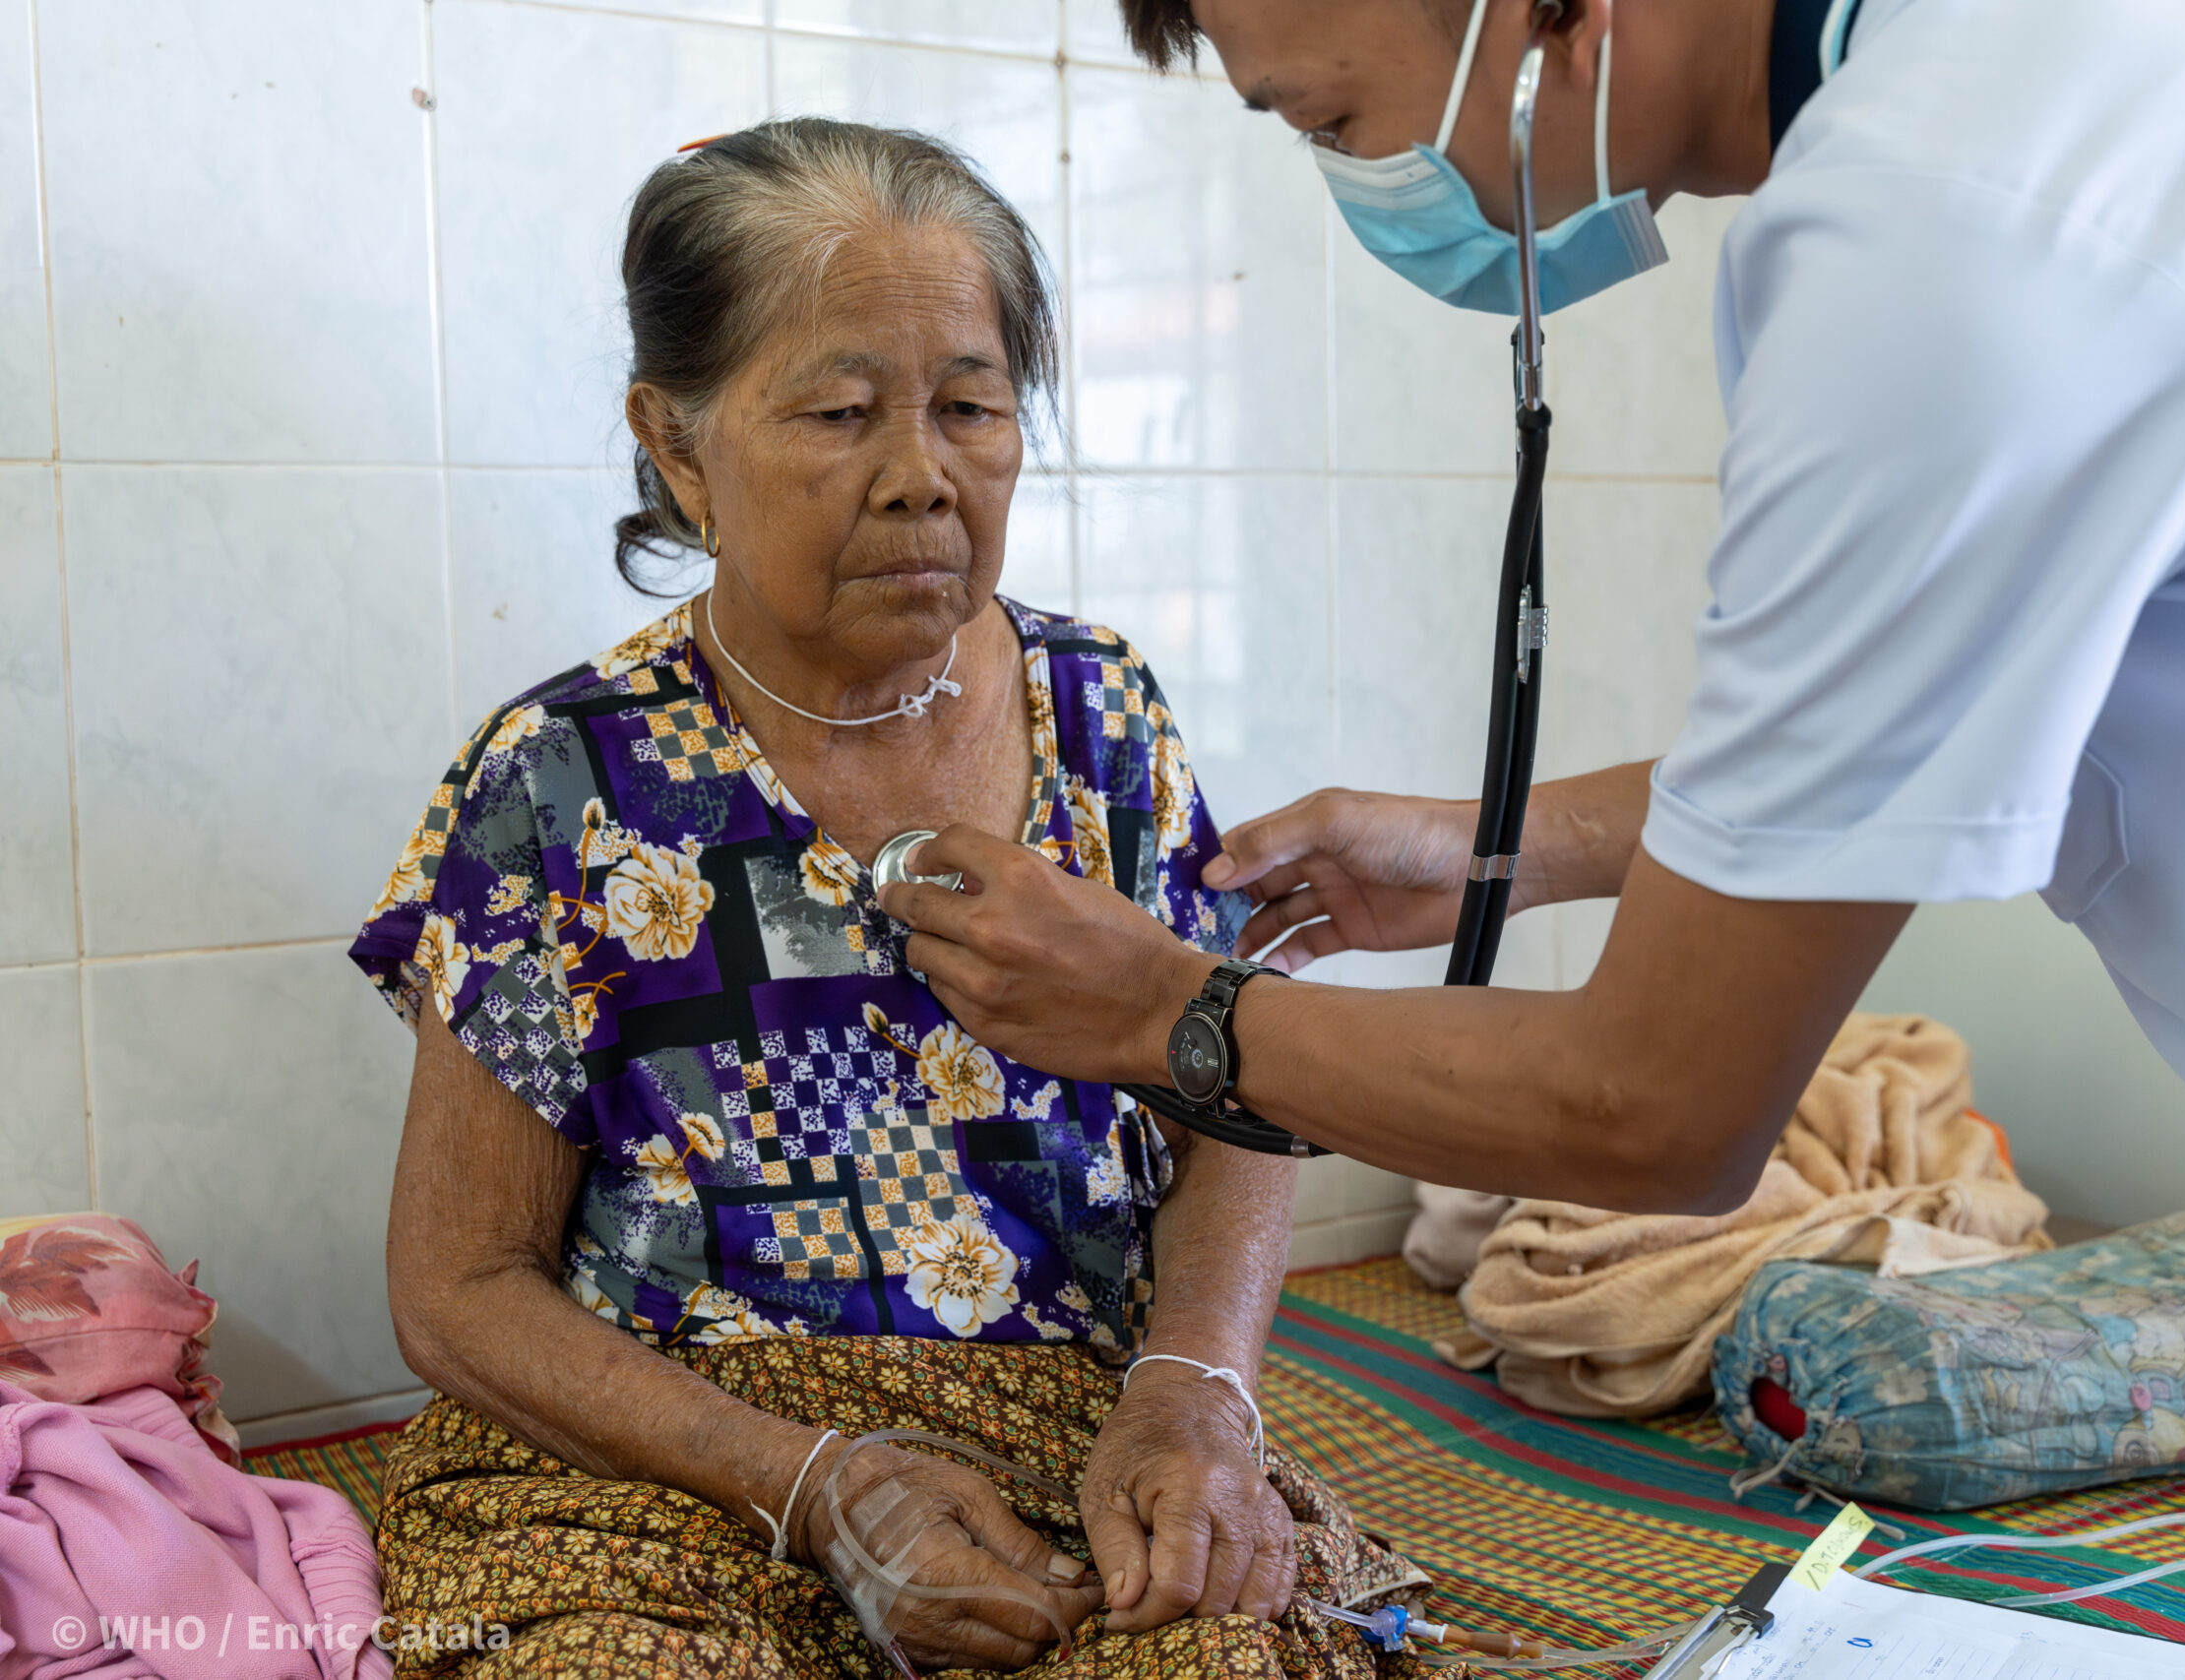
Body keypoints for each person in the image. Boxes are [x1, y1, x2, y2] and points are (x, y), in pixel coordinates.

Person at [874, 1, 2185, 1672]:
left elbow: (1658, 1104)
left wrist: (1167, 1014)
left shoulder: (1948, 230)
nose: (916, 487)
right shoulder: (2057, 99)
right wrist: (1485, 846)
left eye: (1331, 119)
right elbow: (1928, 733)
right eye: (831, 415)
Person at [351, 119, 1430, 1679]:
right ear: (678, 442)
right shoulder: (560, 780)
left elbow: (1230, 1102)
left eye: (972, 406)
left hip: (1068, 1442)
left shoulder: (1101, 714)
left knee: (1238, 1660)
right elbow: (455, 1292)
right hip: (666, 1474)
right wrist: (812, 1483)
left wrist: (1194, 1389)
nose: (924, 478)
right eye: (843, 411)